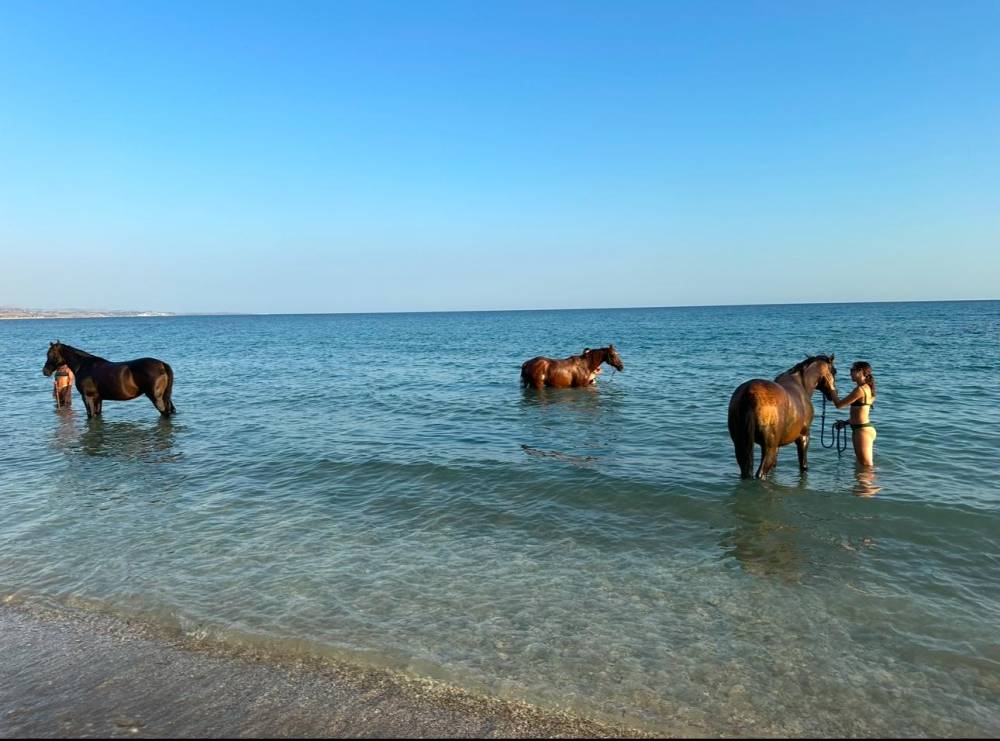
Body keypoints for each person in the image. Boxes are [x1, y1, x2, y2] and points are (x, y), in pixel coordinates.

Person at [830, 361, 877, 466]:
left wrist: (831, 388)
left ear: (860, 371)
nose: (850, 373)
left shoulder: (860, 390)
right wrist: (845, 423)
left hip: (862, 431)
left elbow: (839, 405)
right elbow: (861, 413)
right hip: (862, 428)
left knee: (866, 468)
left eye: (852, 370)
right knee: (863, 467)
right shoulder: (867, 388)